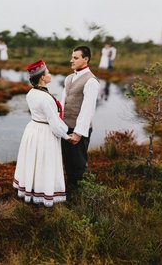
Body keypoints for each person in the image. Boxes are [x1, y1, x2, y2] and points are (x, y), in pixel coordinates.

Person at [13, 60, 70, 207]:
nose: (50, 74)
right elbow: (54, 123)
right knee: (45, 162)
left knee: (34, 161)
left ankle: (31, 190)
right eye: (48, 72)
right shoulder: (45, 97)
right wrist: (66, 135)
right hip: (44, 132)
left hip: (33, 129)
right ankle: (44, 193)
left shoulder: (32, 92)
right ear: (43, 77)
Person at [60, 46, 99, 193]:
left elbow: (88, 110)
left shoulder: (91, 81)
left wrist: (78, 133)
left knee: (78, 165)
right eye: (72, 57)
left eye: (76, 58)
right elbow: (63, 103)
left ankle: (79, 197)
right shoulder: (69, 78)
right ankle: (69, 193)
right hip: (65, 128)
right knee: (67, 164)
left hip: (78, 131)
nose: (72, 60)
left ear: (86, 59)